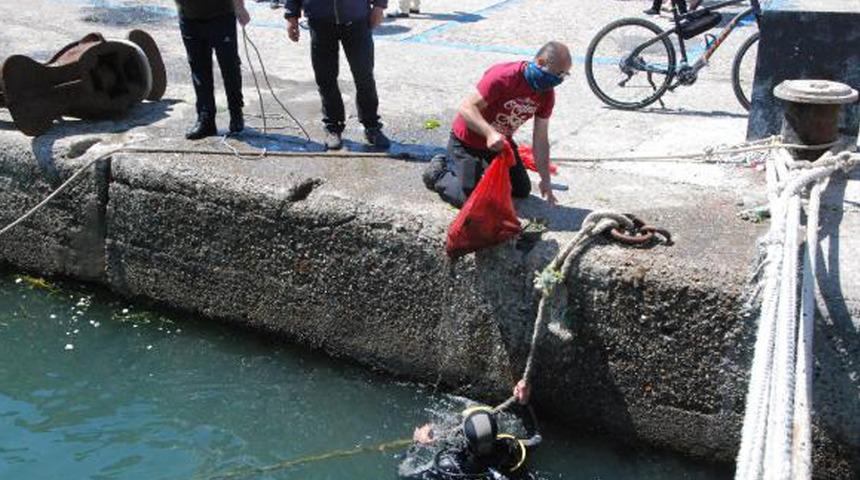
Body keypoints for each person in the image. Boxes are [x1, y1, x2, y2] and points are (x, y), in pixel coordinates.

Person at [422, 41, 571, 208]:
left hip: (499, 145)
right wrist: (489, 133)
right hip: (467, 142)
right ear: (540, 63)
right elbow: (466, 108)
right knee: (470, 199)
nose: (559, 80)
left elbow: (541, 139)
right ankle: (438, 173)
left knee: (521, 190)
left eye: (564, 75)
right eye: (557, 73)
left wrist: (545, 179)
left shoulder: (546, 94)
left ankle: (481, 169)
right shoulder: (505, 76)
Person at [284, 0, 392, 151]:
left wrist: (379, 7)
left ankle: (372, 126)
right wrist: (291, 15)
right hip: (320, 20)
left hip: (356, 20)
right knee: (325, 77)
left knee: (364, 76)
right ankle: (333, 127)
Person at [405, 380, 540, 480]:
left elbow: (405, 475)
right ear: (496, 433)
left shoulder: (450, 465)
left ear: (465, 438)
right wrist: (524, 403)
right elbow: (536, 439)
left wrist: (415, 443)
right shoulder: (509, 451)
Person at [176, 0, 251, 140]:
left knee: (230, 66)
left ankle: (236, 112)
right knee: (198, 69)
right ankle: (206, 120)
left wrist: (239, 6)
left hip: (221, 14)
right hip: (189, 17)